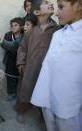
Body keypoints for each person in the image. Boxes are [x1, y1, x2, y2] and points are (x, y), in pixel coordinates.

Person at [31, 0, 82, 130]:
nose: (57, 13)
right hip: (46, 97)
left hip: (69, 104)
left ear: (79, 5)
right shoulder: (58, 34)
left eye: (61, 7)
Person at [15, 0, 60, 123]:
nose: (51, 3)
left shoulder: (57, 29)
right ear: (36, 12)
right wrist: (21, 63)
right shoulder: (31, 31)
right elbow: (22, 48)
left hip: (48, 69)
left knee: (45, 93)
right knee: (26, 89)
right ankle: (21, 110)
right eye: (46, 3)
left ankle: (43, 114)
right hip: (30, 67)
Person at [0, 17, 24, 101]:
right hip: (10, 59)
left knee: (20, 76)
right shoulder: (8, 35)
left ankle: (20, 93)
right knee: (10, 76)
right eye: (12, 25)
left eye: (16, 25)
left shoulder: (24, 35)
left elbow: (17, 47)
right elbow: (6, 46)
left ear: (21, 27)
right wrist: (3, 43)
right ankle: (12, 93)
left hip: (21, 60)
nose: (13, 27)